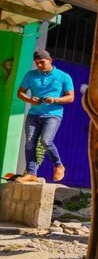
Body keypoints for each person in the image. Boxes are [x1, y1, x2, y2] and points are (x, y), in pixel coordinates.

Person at [16, 50, 74, 183]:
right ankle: (31, 173)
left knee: (46, 141)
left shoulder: (63, 76)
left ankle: (58, 165)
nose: (39, 65)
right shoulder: (30, 75)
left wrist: (55, 100)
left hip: (53, 115)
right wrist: (31, 100)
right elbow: (20, 93)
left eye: (42, 62)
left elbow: (70, 97)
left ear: (50, 60)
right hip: (33, 115)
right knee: (30, 144)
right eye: (37, 63)